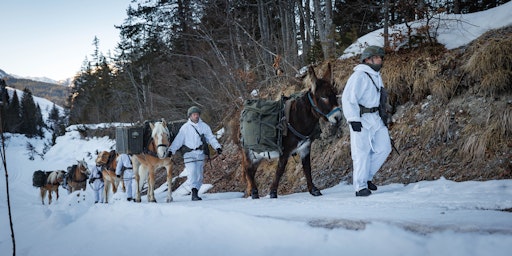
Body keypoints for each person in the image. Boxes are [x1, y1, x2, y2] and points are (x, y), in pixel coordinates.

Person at [341, 45, 392, 197]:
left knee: (384, 148)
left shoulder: (376, 75)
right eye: (376, 57)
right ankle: (360, 186)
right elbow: (348, 98)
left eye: (380, 58)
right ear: (367, 60)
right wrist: (353, 119)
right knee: (361, 153)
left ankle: (367, 177)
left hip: (376, 117)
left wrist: (384, 115)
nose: (380, 60)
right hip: (361, 118)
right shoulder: (359, 76)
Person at [168, 106, 222, 201]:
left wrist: (217, 147)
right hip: (189, 154)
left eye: (197, 114)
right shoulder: (185, 128)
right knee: (192, 172)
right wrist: (171, 150)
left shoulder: (204, 126)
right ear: (190, 116)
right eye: (194, 114)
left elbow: (211, 138)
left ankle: (196, 191)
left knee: (199, 175)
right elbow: (178, 141)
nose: (196, 116)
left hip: (200, 153)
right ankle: (193, 193)